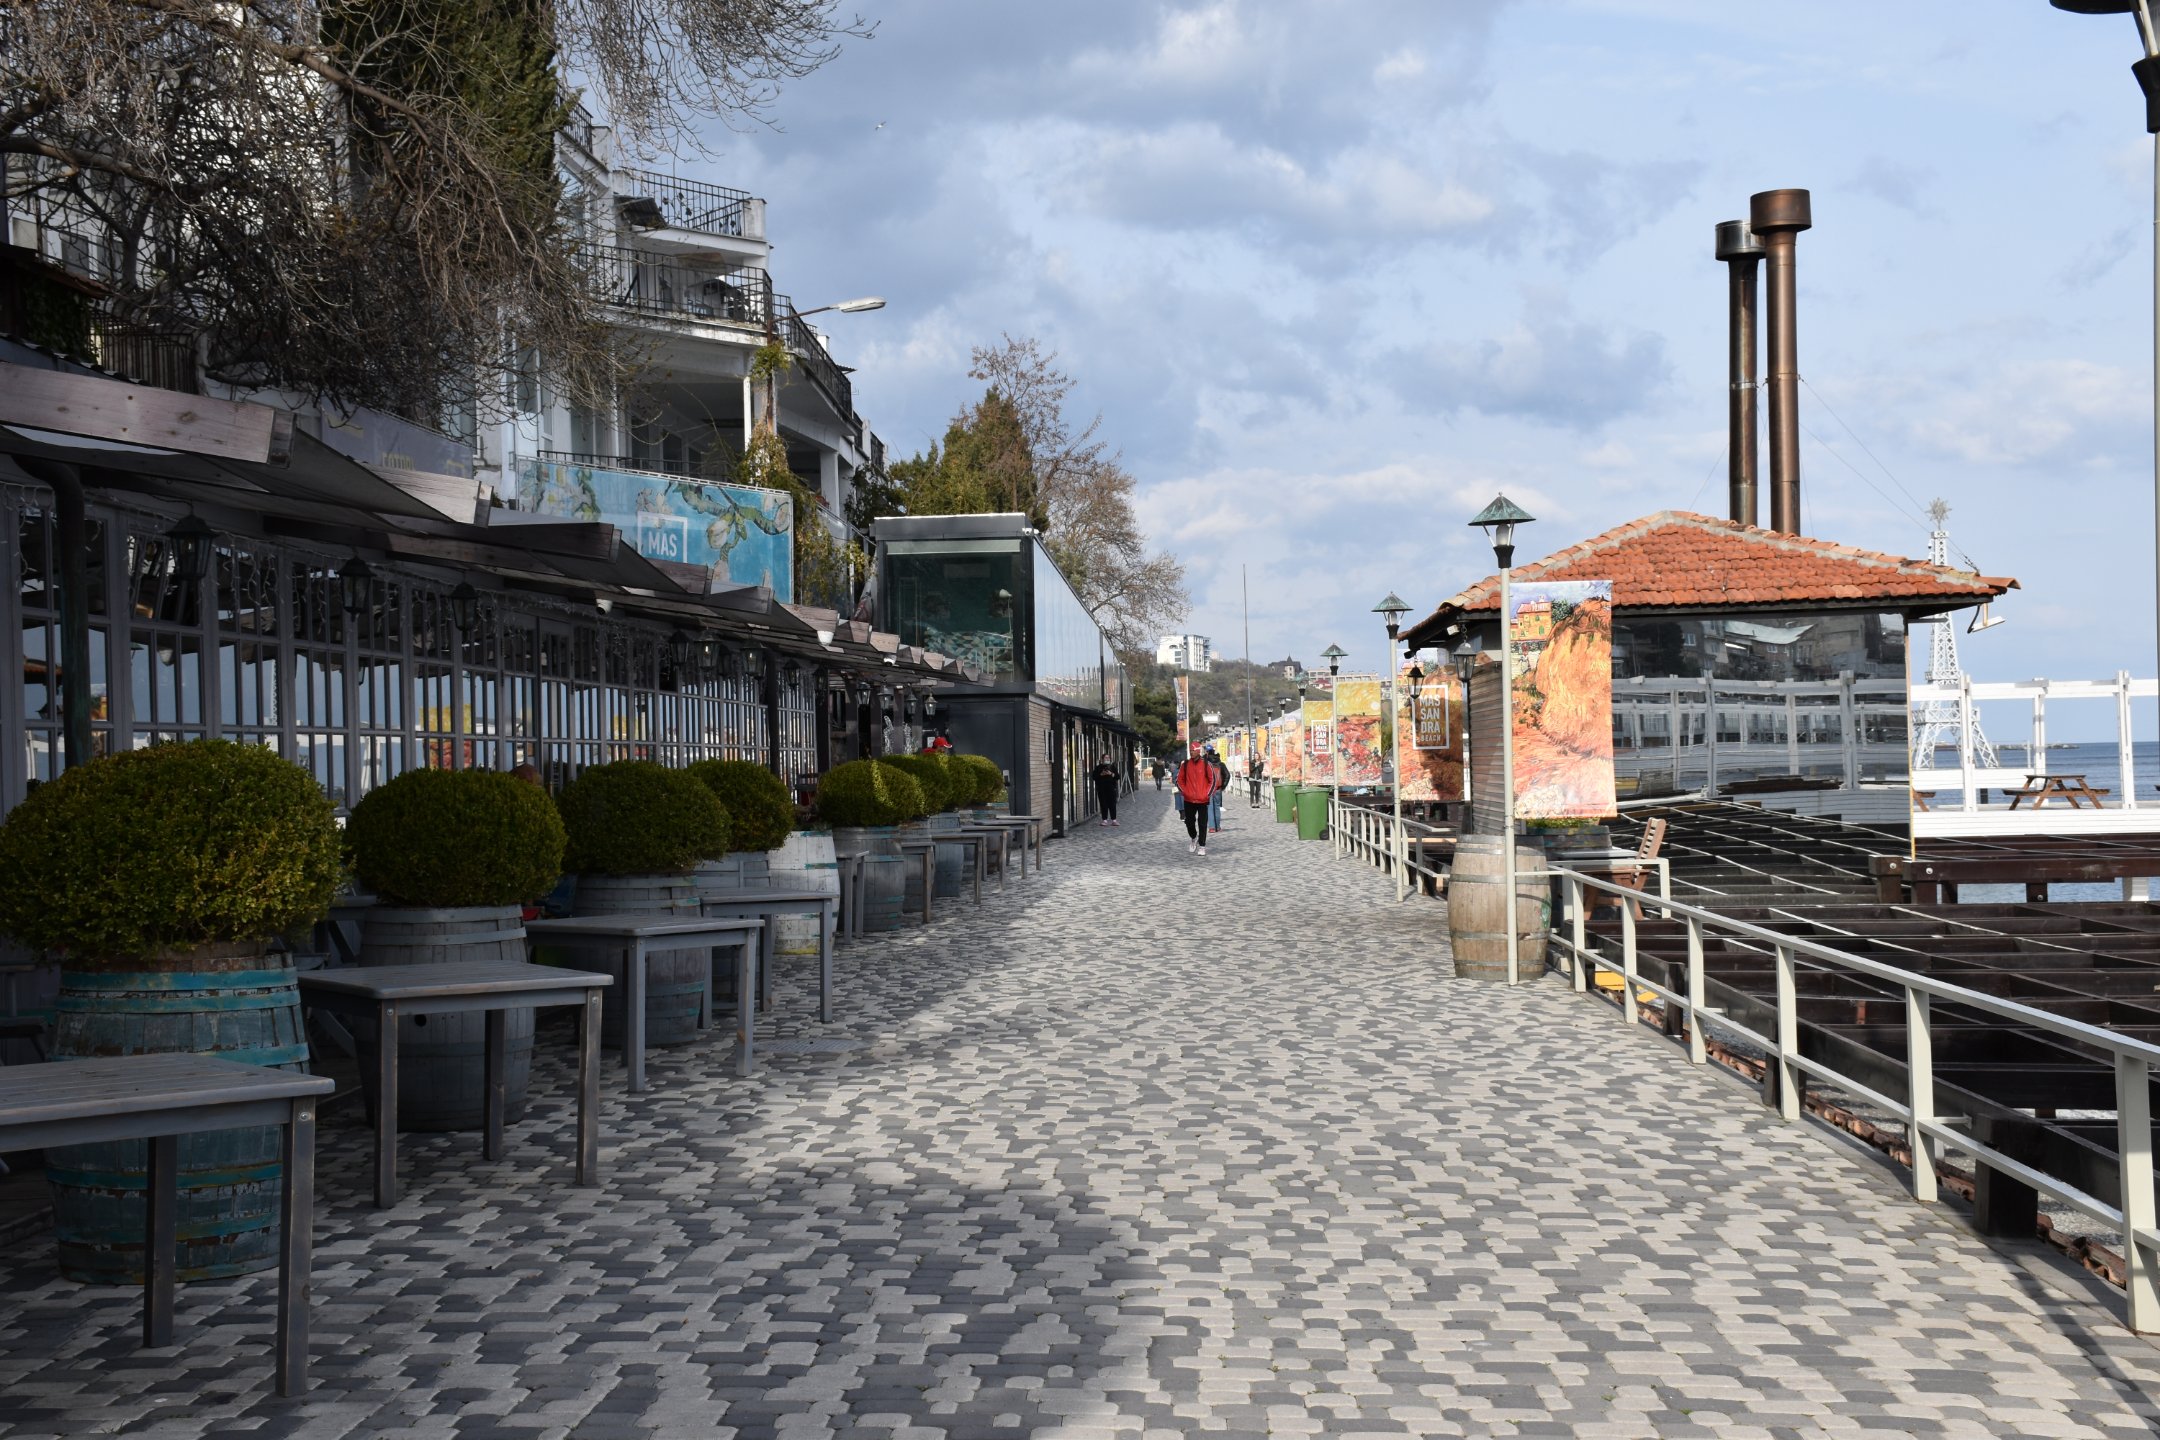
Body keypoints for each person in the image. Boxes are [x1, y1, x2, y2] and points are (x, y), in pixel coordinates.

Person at [1174, 742, 1217, 856]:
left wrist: (1206, 794)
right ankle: (1194, 837)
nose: (1191, 752)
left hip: (1202, 800)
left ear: (1198, 751)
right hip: (1189, 799)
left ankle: (1202, 846)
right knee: (1189, 822)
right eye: (1190, 750)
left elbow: (1212, 780)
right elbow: (1179, 780)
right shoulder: (1185, 764)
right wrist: (1185, 791)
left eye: (1193, 750)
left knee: (1202, 823)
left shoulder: (1206, 764)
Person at [1206, 745, 1230, 834]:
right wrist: (1223, 786)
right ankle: (1218, 827)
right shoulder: (1220, 764)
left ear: (1207, 753)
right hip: (1218, 788)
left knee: (1209, 808)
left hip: (1208, 789)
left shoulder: (1205, 764)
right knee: (1217, 807)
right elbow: (1227, 775)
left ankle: (1212, 827)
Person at [1091, 754, 1121, 826]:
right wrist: (1101, 774)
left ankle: (1114, 820)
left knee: (1112, 804)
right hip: (1101, 789)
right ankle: (1104, 820)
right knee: (1103, 804)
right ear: (1102, 759)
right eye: (1105, 757)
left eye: (1108, 757)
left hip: (1111, 789)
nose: (1107, 759)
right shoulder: (1098, 767)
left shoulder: (1112, 767)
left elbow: (1118, 776)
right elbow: (1094, 777)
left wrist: (1111, 773)